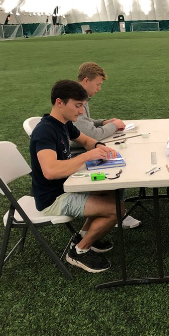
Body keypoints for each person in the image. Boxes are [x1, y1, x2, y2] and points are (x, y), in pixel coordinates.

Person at [30, 79, 129, 273]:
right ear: (60, 102)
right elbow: (50, 171)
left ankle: (83, 236)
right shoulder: (45, 131)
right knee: (117, 208)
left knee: (109, 191)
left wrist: (99, 147)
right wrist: (87, 156)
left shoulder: (64, 123)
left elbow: (84, 139)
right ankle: (79, 251)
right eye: (77, 105)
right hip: (53, 198)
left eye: (83, 105)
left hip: (67, 185)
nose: (82, 111)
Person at [69, 62, 140, 229]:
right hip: (76, 154)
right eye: (98, 84)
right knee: (117, 161)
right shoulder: (75, 100)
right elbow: (90, 134)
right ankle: (114, 211)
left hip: (81, 149)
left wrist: (103, 122)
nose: (99, 89)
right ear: (86, 80)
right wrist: (113, 126)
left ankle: (114, 206)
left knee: (116, 156)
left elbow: (86, 124)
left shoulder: (79, 97)